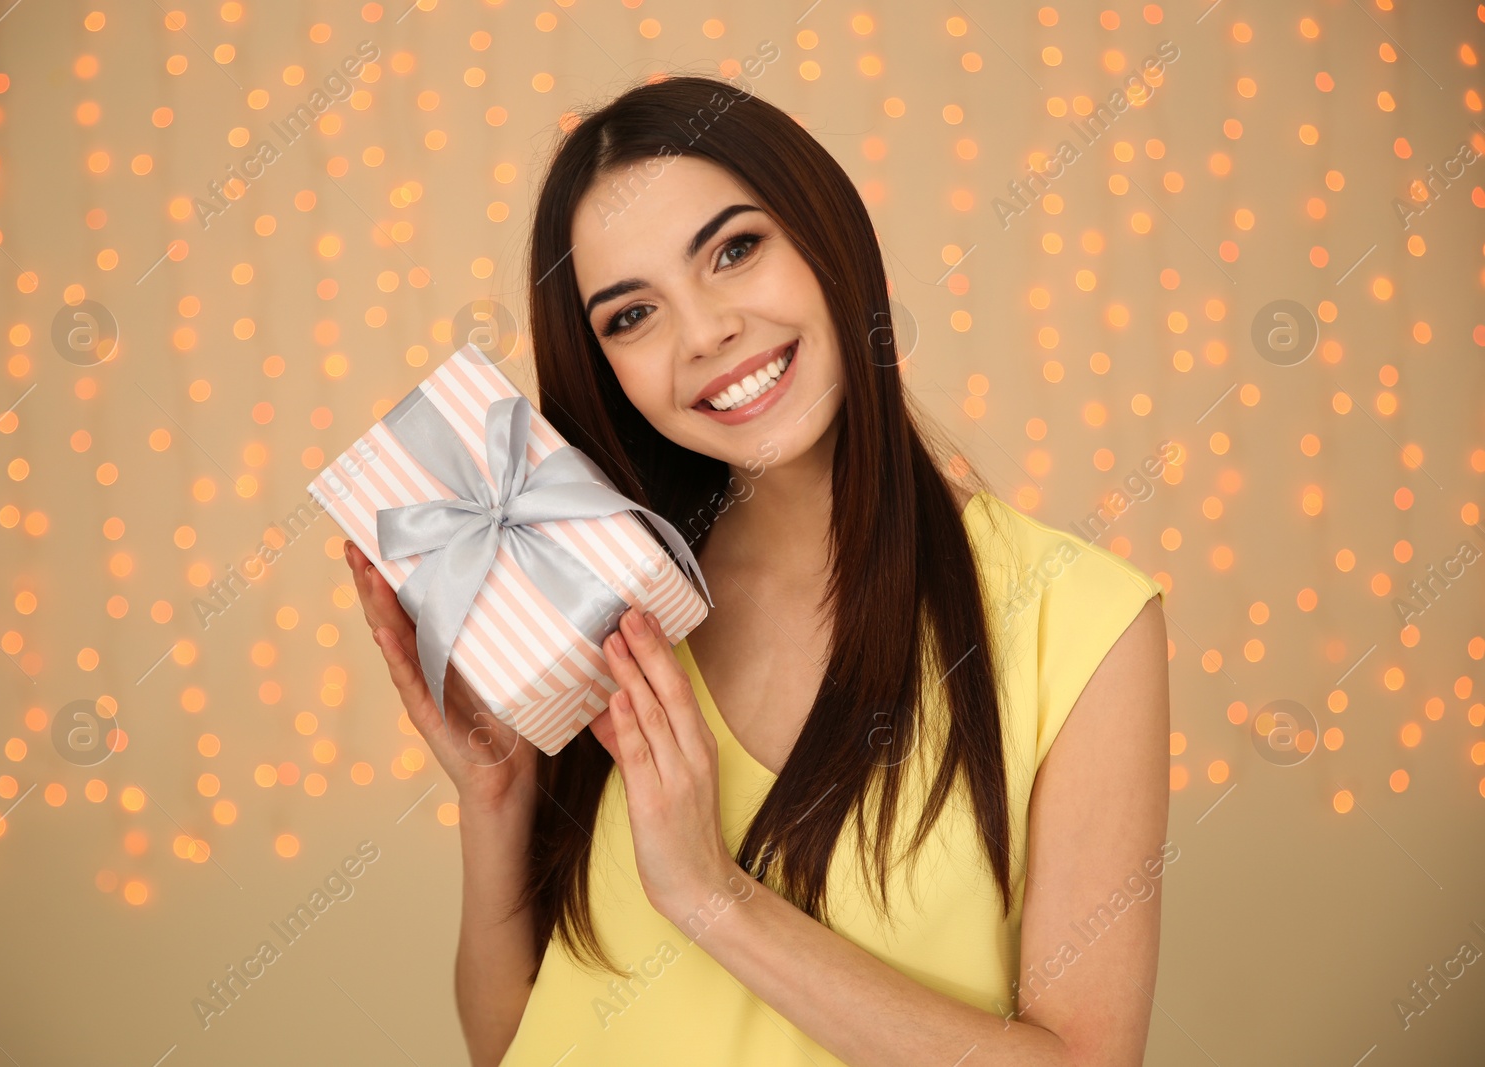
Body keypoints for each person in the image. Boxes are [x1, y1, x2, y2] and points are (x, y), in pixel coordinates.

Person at [345, 73, 1170, 1067]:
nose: (704, 333)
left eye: (734, 250)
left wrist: (709, 895)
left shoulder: (1077, 621)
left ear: (828, 236)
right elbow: (509, 1042)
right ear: (603, 366)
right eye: (630, 315)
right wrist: (495, 798)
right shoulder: (596, 598)